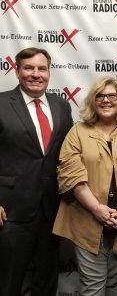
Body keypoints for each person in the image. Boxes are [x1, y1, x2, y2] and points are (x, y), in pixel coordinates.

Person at [52, 76, 117, 296]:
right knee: (93, 287)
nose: (106, 100)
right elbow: (71, 176)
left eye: (111, 95)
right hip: (86, 221)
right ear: (93, 101)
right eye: (100, 96)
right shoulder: (77, 133)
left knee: (116, 283)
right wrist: (97, 209)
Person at [0, 47, 73, 296]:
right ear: (17, 71)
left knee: (46, 280)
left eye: (41, 68)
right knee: (8, 281)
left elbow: (68, 155)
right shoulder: (1, 103)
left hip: (53, 211)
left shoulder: (62, 107)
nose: (35, 74)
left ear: (49, 73)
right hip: (11, 211)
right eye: (29, 68)